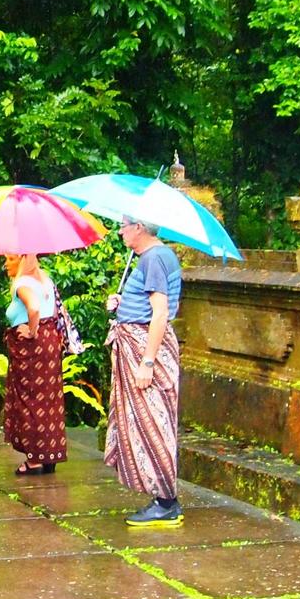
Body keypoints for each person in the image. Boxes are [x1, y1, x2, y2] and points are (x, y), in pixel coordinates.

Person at [103, 217, 185, 527]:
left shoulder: (154, 257)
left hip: (146, 349)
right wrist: (123, 302)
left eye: (124, 225)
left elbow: (161, 312)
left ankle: (166, 502)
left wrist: (147, 361)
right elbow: (148, 304)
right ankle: (163, 498)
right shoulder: (152, 258)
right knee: (143, 419)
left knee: (153, 420)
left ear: (139, 227)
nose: (120, 231)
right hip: (138, 343)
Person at [2, 253, 68, 475]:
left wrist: (31, 331)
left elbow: (34, 307)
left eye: (8, 259)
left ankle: (34, 459)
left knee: (30, 399)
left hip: (32, 348)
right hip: (49, 343)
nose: (5, 264)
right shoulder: (45, 279)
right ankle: (48, 454)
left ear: (20, 260)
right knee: (47, 398)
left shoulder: (22, 284)